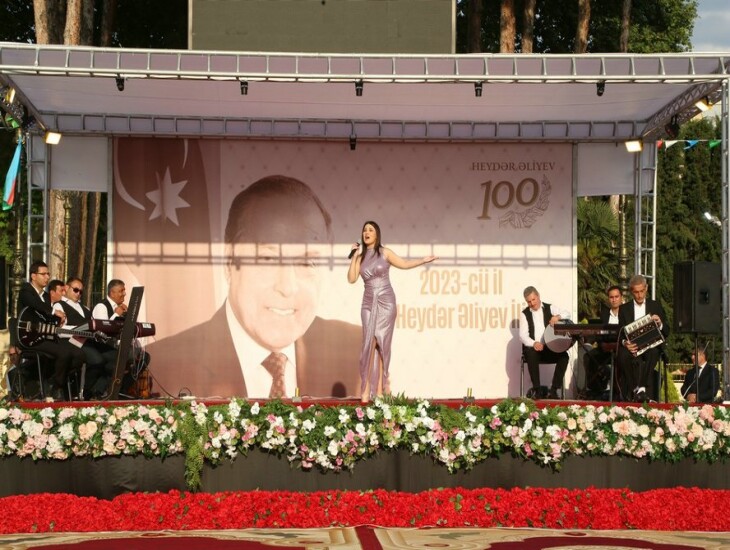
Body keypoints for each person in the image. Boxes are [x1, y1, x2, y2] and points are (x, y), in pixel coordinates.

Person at [147, 174, 362, 399]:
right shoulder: (158, 369)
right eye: (268, 259)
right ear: (230, 262)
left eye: (307, 262)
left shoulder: (359, 353)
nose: (287, 287)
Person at [347, 221, 436, 403]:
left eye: (370, 230)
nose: (366, 233)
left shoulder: (385, 252)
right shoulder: (360, 256)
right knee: (368, 344)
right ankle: (365, 390)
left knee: (382, 345)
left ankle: (379, 391)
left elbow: (403, 264)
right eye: (364, 230)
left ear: (377, 234)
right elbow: (351, 279)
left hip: (386, 302)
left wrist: (422, 260)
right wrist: (354, 257)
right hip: (368, 302)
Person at [16, 261, 85, 400]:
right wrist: (54, 312)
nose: (47, 277)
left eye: (48, 274)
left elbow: (44, 317)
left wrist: (58, 320)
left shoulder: (46, 296)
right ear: (33, 276)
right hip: (29, 338)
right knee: (64, 353)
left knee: (79, 354)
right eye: (43, 274)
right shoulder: (26, 291)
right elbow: (35, 305)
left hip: (45, 335)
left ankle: (53, 381)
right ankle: (57, 387)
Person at [55, 277, 117, 398]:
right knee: (97, 360)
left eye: (81, 291)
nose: (78, 293)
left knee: (117, 357)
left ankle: (97, 390)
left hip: (91, 341)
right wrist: (79, 329)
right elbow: (60, 330)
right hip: (73, 342)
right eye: (76, 290)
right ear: (66, 288)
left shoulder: (85, 308)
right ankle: (85, 391)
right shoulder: (59, 305)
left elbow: (95, 325)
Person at [617, 274, 670, 402]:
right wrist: (625, 343)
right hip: (633, 347)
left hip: (651, 346)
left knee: (654, 352)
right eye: (636, 292)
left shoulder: (655, 305)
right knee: (622, 355)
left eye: (642, 291)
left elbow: (667, 331)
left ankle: (641, 387)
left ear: (646, 288)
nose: (640, 295)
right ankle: (634, 388)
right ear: (631, 291)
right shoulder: (624, 309)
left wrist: (660, 324)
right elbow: (620, 333)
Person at [92, 279, 148, 397]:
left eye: (124, 290)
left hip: (118, 347)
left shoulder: (122, 308)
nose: (124, 294)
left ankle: (121, 389)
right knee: (126, 355)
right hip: (103, 347)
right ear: (112, 293)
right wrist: (116, 314)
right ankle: (99, 390)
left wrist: (129, 316)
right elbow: (102, 328)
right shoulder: (101, 306)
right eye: (121, 291)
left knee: (144, 357)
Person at [519, 286, 571, 399]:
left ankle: (554, 390)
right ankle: (537, 390)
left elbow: (567, 313)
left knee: (564, 356)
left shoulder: (549, 307)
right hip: (535, 349)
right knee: (530, 353)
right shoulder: (524, 314)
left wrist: (558, 317)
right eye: (529, 301)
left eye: (533, 299)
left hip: (549, 348)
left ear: (538, 296)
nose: (532, 303)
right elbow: (523, 336)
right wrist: (534, 343)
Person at [582, 285, 622, 399]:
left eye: (616, 297)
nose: (614, 300)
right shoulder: (604, 313)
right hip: (606, 348)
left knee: (622, 359)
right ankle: (596, 390)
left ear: (621, 298)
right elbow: (599, 333)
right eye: (611, 297)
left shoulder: (627, 313)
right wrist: (602, 344)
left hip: (621, 348)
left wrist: (617, 345)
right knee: (588, 357)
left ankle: (618, 391)